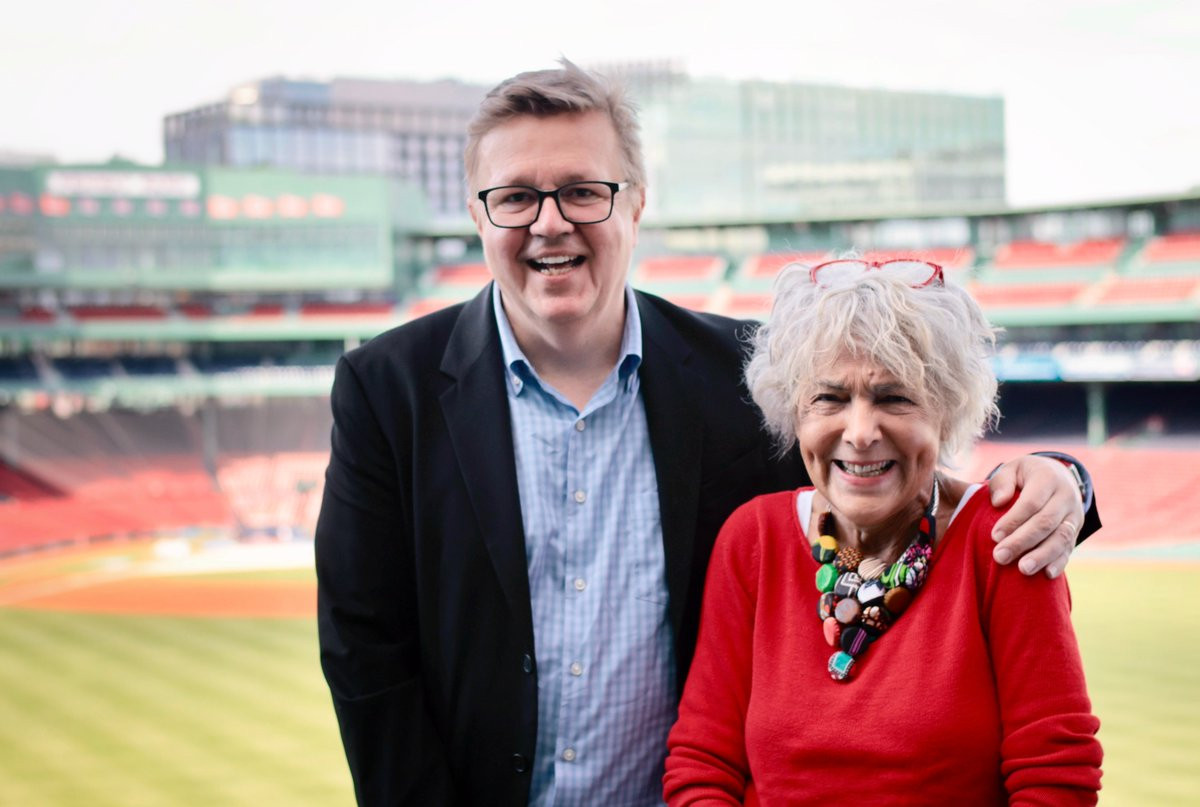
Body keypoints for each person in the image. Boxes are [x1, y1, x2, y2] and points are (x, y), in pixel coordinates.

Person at [315, 61, 1099, 806]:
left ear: (635, 204)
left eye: (583, 191)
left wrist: (1065, 476)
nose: (550, 222)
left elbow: (882, 459)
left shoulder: (742, 375)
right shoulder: (386, 389)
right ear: (477, 213)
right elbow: (365, 648)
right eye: (516, 196)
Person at [663, 260, 1103, 804]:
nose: (861, 432)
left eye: (895, 397)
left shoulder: (1005, 539)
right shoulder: (752, 537)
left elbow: (1055, 774)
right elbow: (703, 761)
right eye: (830, 398)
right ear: (794, 413)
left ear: (946, 412)